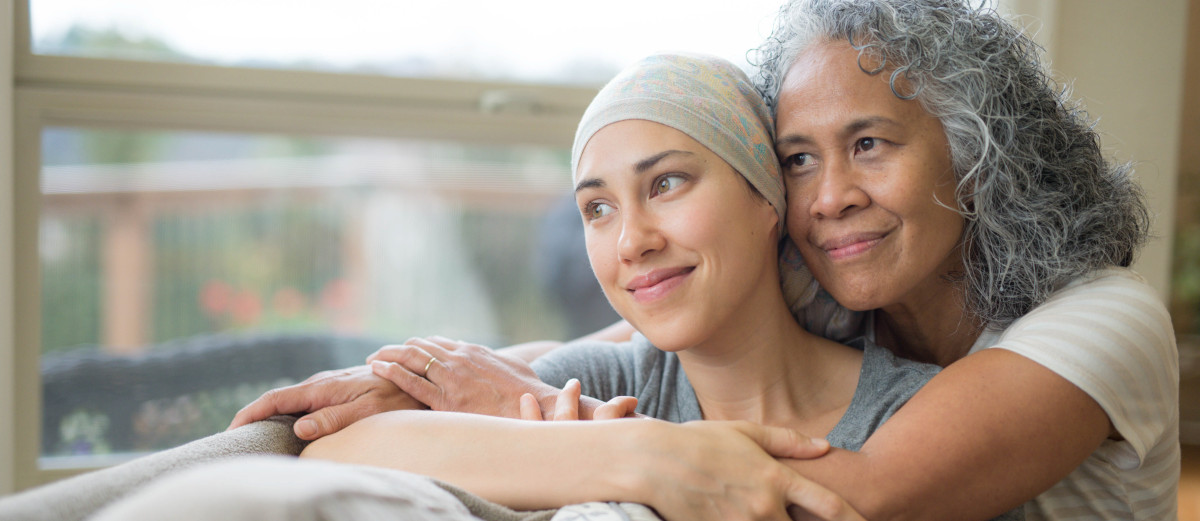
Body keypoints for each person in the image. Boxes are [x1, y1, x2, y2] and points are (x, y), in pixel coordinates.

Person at [232, 0, 1179, 519]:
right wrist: (417, 374)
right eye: (799, 158)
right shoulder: (835, 274)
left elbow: (845, 493)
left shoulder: (1104, 319)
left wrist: (597, 449)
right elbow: (630, 327)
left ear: (977, 153)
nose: (827, 195)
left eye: (871, 144)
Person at [96, 52, 961, 521]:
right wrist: (635, 456)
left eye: (666, 183)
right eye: (596, 207)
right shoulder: (621, 381)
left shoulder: (913, 417)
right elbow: (341, 452)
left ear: (767, 195)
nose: (632, 240)